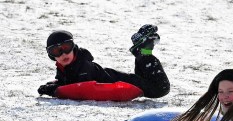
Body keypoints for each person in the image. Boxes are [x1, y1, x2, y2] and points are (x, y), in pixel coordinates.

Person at [37, 25, 170, 99]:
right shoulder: (63, 68)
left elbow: (80, 88)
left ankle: (144, 51)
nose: (63, 54)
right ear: (51, 56)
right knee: (145, 78)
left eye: (66, 48)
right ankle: (142, 51)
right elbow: (68, 83)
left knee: (160, 89)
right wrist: (52, 85)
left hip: (127, 83)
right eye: (56, 51)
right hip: (124, 82)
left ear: (74, 48)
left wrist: (55, 90)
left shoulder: (83, 66)